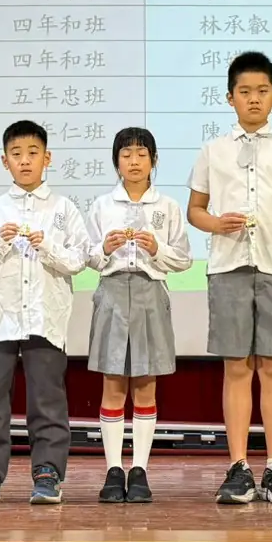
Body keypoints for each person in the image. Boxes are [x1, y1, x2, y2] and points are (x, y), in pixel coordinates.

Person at [187, 50, 272, 506]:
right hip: (229, 268)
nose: (254, 99)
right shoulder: (214, 150)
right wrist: (215, 223)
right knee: (237, 368)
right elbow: (195, 210)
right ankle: (239, 466)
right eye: (245, 92)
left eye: (262, 91)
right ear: (230, 98)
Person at [0, 120, 92, 506]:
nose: (25, 161)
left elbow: (79, 260)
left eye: (33, 153)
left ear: (47, 158)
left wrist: (46, 245)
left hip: (45, 318)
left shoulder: (64, 209)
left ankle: (48, 474)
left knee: (47, 398)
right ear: (5, 161)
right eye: (16, 154)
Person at [87, 127, 191, 504]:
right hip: (112, 292)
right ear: (116, 162)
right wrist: (104, 247)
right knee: (113, 382)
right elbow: (85, 256)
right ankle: (114, 470)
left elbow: (184, 259)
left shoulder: (167, 206)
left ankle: (140, 470)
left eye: (141, 154)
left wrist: (157, 248)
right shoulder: (102, 205)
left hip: (150, 292)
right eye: (126, 154)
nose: (134, 161)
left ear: (154, 160)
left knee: (146, 383)